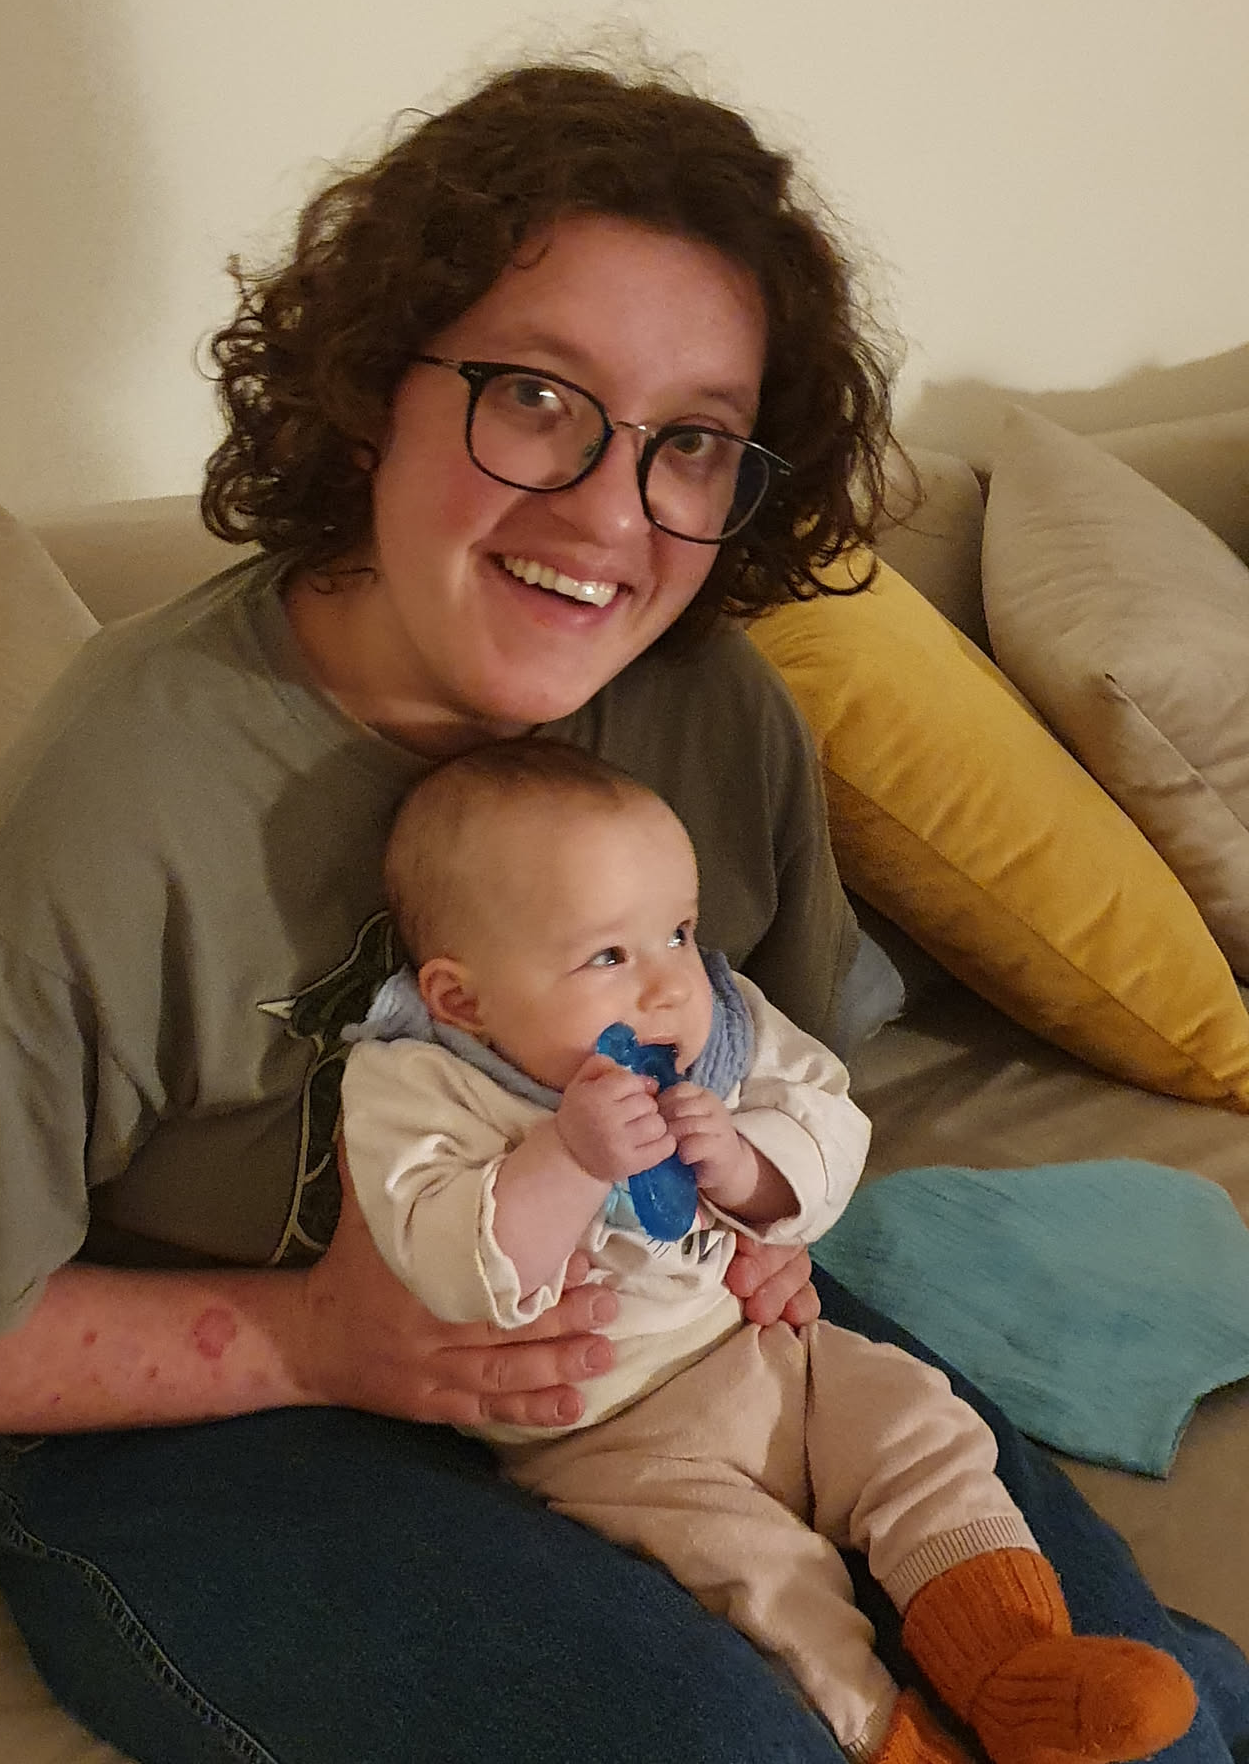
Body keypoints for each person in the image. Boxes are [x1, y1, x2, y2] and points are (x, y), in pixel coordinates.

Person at [0, 57, 1244, 1764]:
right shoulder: (123, 789)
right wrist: (317, 1341)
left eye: (690, 442)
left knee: (1123, 1710)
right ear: (371, 392)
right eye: (539, 396)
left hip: (660, 1329)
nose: (610, 511)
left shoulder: (716, 717)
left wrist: (768, 1228)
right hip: (216, 1424)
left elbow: (783, 1087)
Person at [342, 736, 1196, 1764]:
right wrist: (564, 1160)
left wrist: (748, 1166)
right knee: (761, 1581)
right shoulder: (419, 1087)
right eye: (609, 956)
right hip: (612, 1438)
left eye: (678, 931)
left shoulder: (721, 1028)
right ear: (461, 999)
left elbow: (830, 1124)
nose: (668, 987)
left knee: (923, 1430)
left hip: (768, 1348)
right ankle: (893, 1741)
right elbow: (446, 1263)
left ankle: (1014, 1666)